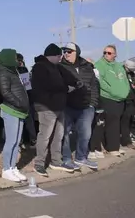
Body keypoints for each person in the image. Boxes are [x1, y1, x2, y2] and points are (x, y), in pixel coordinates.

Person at [31, 44, 79, 176]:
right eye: (59, 55)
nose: (61, 58)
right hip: (46, 107)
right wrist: (66, 88)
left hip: (59, 106)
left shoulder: (57, 68)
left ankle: (55, 161)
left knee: (58, 136)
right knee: (45, 136)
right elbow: (49, 85)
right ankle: (39, 163)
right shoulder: (40, 67)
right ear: (54, 55)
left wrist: (75, 83)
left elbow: (70, 79)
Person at [59, 43, 99, 170]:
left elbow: (94, 86)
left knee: (85, 134)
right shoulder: (60, 67)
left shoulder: (87, 67)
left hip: (86, 107)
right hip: (67, 106)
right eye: (65, 51)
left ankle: (81, 157)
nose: (66, 53)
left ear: (77, 52)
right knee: (64, 133)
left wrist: (93, 103)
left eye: (70, 51)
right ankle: (66, 159)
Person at [0, 49, 30, 183]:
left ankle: (13, 166)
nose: (17, 60)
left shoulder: (13, 71)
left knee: (16, 141)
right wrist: (20, 103)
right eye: (14, 57)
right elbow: (6, 93)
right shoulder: (3, 72)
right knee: (10, 141)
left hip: (19, 111)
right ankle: (6, 169)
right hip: (11, 110)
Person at [95, 45, 131, 157]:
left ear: (115, 54)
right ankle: (111, 148)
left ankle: (115, 146)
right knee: (111, 123)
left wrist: (126, 91)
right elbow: (100, 81)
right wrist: (112, 91)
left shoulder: (119, 66)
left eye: (109, 53)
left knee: (117, 123)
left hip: (121, 99)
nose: (106, 54)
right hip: (108, 98)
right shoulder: (100, 65)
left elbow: (125, 80)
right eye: (105, 52)